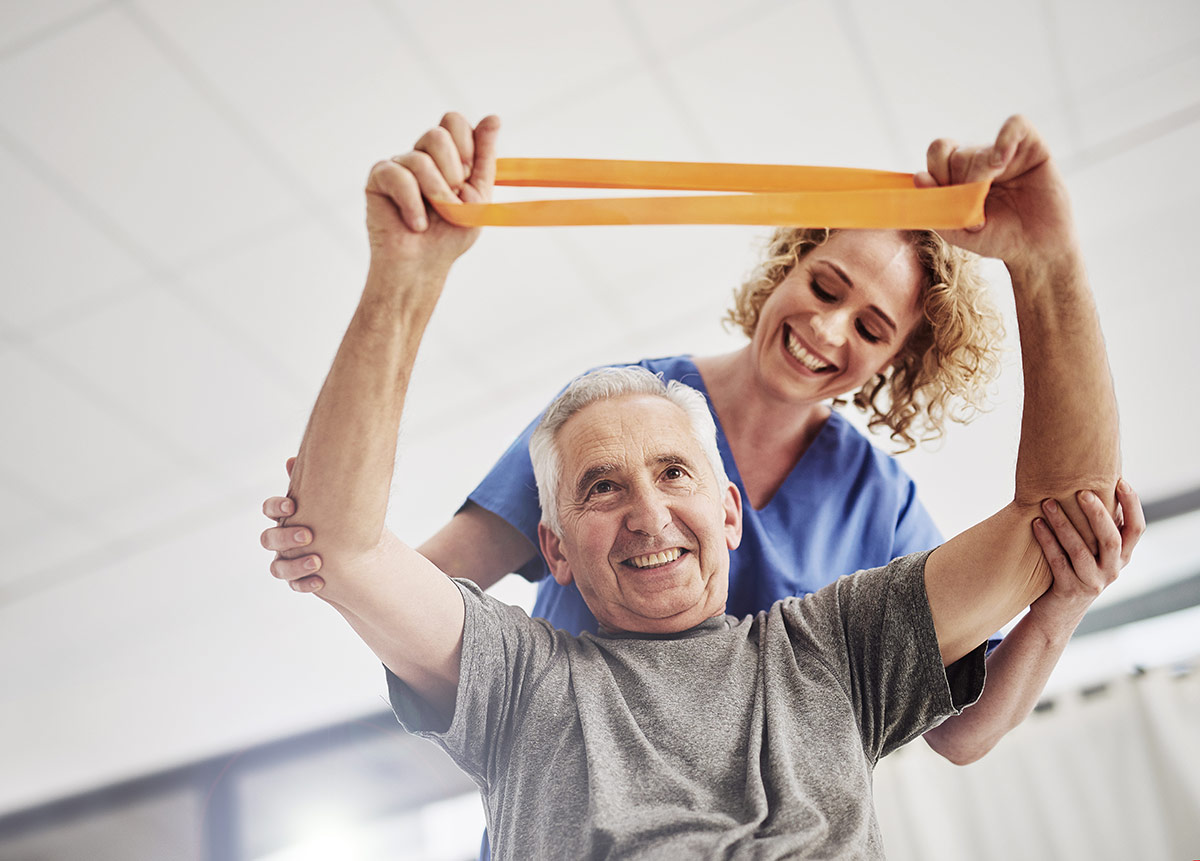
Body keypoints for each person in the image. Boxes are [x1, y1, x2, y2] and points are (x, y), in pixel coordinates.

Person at [260, 113, 1140, 857]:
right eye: (603, 487)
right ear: (552, 543)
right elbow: (371, 554)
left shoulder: (840, 633)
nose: (649, 513)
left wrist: (1047, 263)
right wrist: (400, 299)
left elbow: (1037, 559)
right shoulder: (604, 430)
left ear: (727, 514)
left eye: (676, 471)